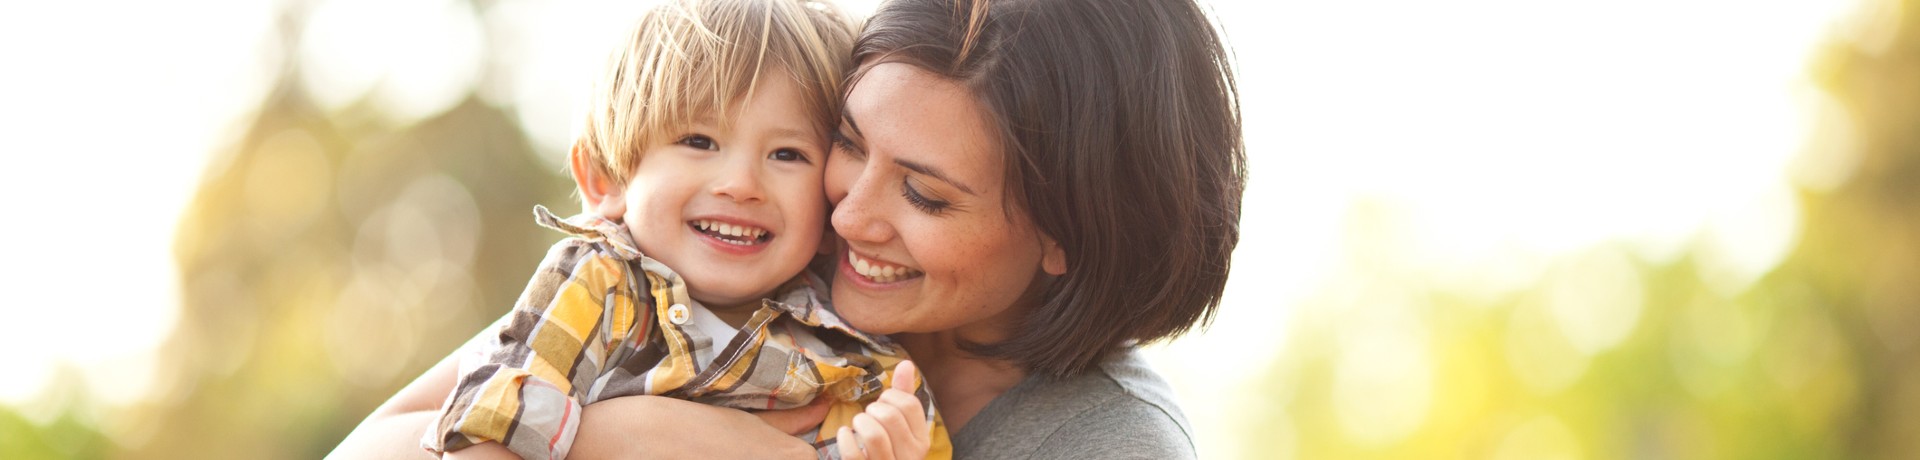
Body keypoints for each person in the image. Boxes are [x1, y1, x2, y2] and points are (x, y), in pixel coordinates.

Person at [331, 0, 1240, 457]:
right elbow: (373, 449)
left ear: (1065, 232)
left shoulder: (1101, 443)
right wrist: (644, 429)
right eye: (846, 145)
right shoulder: (724, 283)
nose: (849, 213)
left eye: (924, 196)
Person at [405, 0, 948, 458]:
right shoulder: (597, 288)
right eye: (699, 142)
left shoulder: (860, 360)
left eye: (787, 153)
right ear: (607, 178)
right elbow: (489, 428)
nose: (741, 184)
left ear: (831, 203)